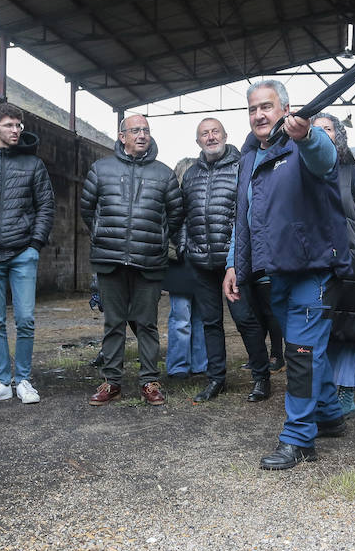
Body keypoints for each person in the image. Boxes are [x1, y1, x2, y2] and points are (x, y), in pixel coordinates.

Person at [224, 80, 350, 470]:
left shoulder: (303, 143)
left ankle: (299, 439)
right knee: (305, 349)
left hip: (312, 270)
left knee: (299, 352)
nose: (259, 115)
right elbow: (244, 218)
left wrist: (309, 134)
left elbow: (325, 159)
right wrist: (232, 262)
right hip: (274, 272)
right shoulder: (248, 159)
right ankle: (329, 413)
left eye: (267, 106)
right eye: (252, 109)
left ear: (285, 108)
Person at [80, 114, 184, 407]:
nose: (142, 135)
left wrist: (159, 238)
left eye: (146, 130)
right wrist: (104, 234)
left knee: (146, 323)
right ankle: (111, 382)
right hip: (110, 259)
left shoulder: (164, 174)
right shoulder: (101, 169)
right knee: (113, 322)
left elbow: (175, 215)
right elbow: (87, 209)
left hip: (149, 260)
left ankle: (149, 381)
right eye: (135, 130)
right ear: (122, 135)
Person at [0, 102, 53, 406]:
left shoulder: (34, 166)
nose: (15, 130)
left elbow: (46, 206)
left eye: (18, 125)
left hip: (23, 253)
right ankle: (0, 381)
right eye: (9, 125)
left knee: (25, 319)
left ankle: (22, 379)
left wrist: (35, 244)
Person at [312, 114, 355, 419]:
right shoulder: (304, 174)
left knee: (350, 327)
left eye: (327, 129)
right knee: (321, 328)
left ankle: (346, 392)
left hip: (351, 262)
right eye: (316, 130)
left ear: (338, 136)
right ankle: (324, 389)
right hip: (315, 263)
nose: (322, 134)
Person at [177, 118, 242, 402]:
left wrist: (240, 255)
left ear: (226, 135)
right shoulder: (190, 175)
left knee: (246, 319)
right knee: (210, 322)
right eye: (205, 133)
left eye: (215, 131)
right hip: (200, 261)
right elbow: (182, 215)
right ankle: (216, 379)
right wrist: (183, 246)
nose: (211, 137)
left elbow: (247, 213)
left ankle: (261, 376)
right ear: (198, 141)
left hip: (233, 262)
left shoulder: (242, 167)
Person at [164, 156, 207, 383]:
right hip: (180, 263)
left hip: (200, 263)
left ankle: (198, 364)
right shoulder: (172, 201)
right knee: (182, 317)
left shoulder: (203, 199)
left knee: (198, 317)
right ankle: (180, 366)